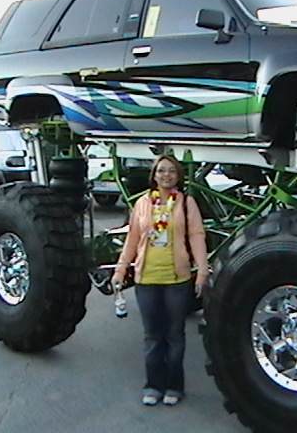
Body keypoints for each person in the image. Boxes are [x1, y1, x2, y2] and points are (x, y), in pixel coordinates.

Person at [112, 154, 209, 407]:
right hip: (147, 279)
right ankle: (153, 385)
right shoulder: (143, 203)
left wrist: (202, 271)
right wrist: (121, 270)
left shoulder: (186, 203)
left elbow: (197, 236)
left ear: (178, 176)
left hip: (177, 279)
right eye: (161, 170)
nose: (166, 175)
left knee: (175, 334)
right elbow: (132, 239)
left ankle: (175, 386)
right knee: (153, 335)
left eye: (171, 171)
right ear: (154, 175)